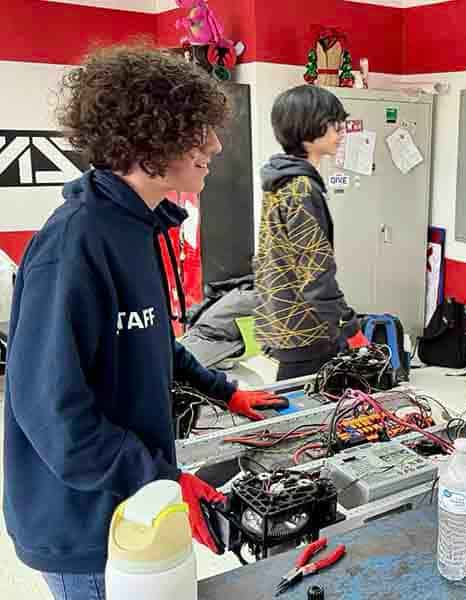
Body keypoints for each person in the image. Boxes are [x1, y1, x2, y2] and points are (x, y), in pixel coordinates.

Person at [3, 45, 287, 600]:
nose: (214, 145)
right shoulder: (73, 245)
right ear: (148, 140)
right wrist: (162, 479)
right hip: (83, 523)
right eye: (198, 130)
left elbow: (152, 338)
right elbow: (51, 414)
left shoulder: (137, 227)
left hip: (132, 502)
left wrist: (225, 392)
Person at [255, 85, 368, 381]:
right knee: (305, 417)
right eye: (333, 123)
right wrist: (350, 327)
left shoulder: (281, 179)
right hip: (306, 327)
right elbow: (315, 273)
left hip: (283, 317)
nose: (340, 131)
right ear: (307, 127)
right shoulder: (302, 187)